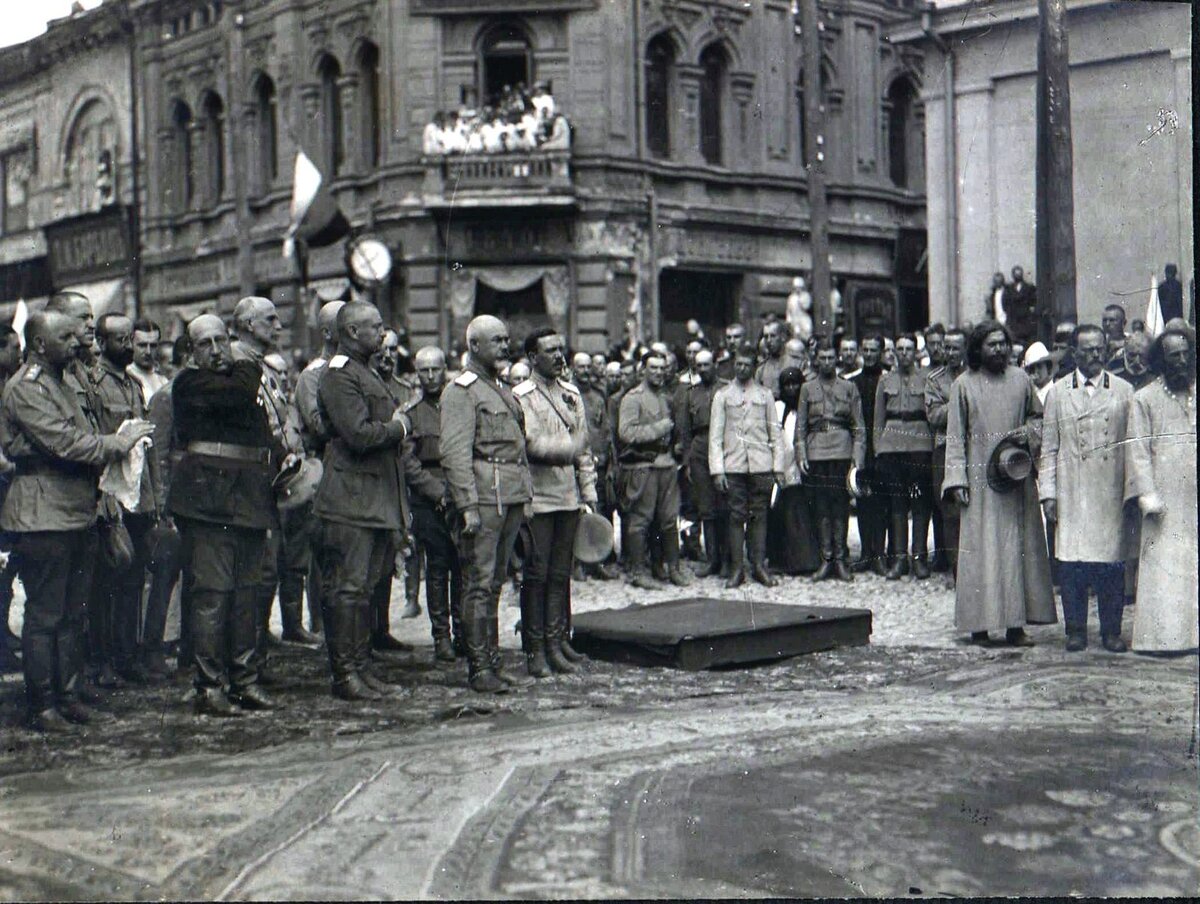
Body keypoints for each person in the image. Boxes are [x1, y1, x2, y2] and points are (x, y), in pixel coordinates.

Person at [1, 312, 154, 731]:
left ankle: (68, 697)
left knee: (72, 614)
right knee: (46, 615)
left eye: (75, 334)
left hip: (74, 510)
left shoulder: (62, 380)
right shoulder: (27, 389)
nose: (76, 342)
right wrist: (117, 442)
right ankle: (43, 705)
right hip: (43, 512)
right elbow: (65, 442)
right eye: (65, 336)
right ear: (38, 345)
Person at [170, 314, 282, 716]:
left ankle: (244, 680)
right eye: (206, 344)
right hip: (209, 503)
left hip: (250, 499)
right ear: (191, 351)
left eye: (221, 341)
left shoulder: (236, 379)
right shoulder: (189, 383)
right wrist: (248, 362)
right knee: (213, 596)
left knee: (246, 594)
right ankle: (208, 685)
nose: (216, 351)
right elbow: (239, 392)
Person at [314, 303, 412, 702]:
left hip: (372, 498)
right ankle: (345, 675)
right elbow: (356, 433)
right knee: (349, 589)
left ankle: (360, 667)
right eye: (376, 327)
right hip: (350, 499)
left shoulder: (364, 371)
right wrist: (400, 427)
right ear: (353, 332)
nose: (383, 333)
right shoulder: (339, 375)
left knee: (365, 588)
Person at [942, 320, 1056, 646]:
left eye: (1002, 343)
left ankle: (1015, 626)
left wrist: (1029, 433)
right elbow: (954, 437)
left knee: (1015, 550)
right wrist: (956, 480)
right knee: (981, 551)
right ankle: (979, 626)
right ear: (978, 348)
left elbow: (1038, 418)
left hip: (1015, 478)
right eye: (991, 344)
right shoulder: (963, 385)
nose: (999, 349)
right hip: (978, 482)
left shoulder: (1021, 380)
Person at [440, 315, 536, 694]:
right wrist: (467, 506)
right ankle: (479, 667)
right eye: (496, 340)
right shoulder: (461, 391)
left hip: (509, 496)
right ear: (474, 346)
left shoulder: (500, 389)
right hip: (483, 498)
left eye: (506, 339)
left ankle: (492, 660)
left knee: (495, 581)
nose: (505, 346)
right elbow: (454, 453)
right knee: (478, 583)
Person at [1039, 324, 1133, 653]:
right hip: (1072, 492)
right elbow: (1048, 448)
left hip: (1109, 491)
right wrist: (1048, 494)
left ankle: (1111, 631)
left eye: (1099, 349)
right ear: (1075, 353)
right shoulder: (1058, 392)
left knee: (1110, 565)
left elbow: (1132, 446)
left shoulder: (1123, 390)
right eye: (1088, 350)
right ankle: (1075, 630)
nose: (1095, 355)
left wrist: (1130, 492)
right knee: (1072, 565)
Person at [513, 329, 597, 677]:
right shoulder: (522, 396)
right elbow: (531, 444)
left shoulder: (571, 394)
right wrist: (569, 448)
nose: (559, 355)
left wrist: (588, 494)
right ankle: (535, 649)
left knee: (561, 574)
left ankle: (558, 640)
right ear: (533, 358)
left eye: (561, 348)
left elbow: (586, 452)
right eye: (550, 351)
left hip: (567, 498)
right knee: (537, 575)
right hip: (538, 499)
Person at [89, 313, 162, 685]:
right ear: (101, 343)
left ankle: (126, 656)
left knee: (133, 579)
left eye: (127, 339)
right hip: (109, 496)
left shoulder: (133, 384)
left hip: (137, 497)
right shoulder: (94, 382)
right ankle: (102, 664)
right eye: (118, 339)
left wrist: (154, 497)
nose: (126, 346)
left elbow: (145, 446)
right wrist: (105, 499)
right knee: (107, 580)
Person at [231, 296, 306, 660]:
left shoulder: (261, 365)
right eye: (270, 320)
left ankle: (257, 642)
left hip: (271, 474)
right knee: (256, 568)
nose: (278, 327)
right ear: (247, 324)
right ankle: (248, 650)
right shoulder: (237, 364)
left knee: (270, 564)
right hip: (251, 478)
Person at [1123, 328, 1197, 654]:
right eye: (1173, 356)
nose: (1181, 361)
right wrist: (1147, 495)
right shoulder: (1144, 399)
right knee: (1164, 566)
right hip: (1163, 498)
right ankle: (1161, 639)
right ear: (1161, 361)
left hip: (1193, 495)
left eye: (1185, 354)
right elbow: (1137, 451)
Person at [286, 300, 345, 640]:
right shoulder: (314, 375)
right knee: (318, 554)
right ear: (327, 332)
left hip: (345, 473)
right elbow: (319, 426)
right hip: (322, 471)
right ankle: (320, 626)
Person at [401, 346, 464, 663]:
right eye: (423, 370)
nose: (429, 376)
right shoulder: (410, 413)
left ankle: (463, 630)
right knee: (438, 568)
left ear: (445, 370)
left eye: (435, 369)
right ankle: (442, 636)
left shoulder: (460, 406)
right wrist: (437, 492)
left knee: (463, 566)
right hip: (429, 500)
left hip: (462, 493)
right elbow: (408, 463)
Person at [709, 342, 786, 588]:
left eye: (747, 365)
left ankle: (759, 566)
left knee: (759, 515)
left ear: (754, 367)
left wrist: (778, 466)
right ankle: (736, 569)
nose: (742, 369)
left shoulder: (765, 395)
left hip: (761, 465)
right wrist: (717, 469)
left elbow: (775, 433)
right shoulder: (722, 396)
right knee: (735, 517)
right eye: (738, 364)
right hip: (733, 466)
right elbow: (715, 436)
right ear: (734, 365)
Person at [618, 350, 692, 590]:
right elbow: (626, 433)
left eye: (662, 368)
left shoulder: (666, 397)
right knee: (640, 520)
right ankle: (637, 571)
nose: (659, 372)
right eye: (654, 368)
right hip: (644, 466)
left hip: (666, 464)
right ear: (643, 370)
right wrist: (660, 428)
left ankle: (673, 568)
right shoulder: (633, 398)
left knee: (670, 519)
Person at [796, 339, 865, 582]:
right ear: (816, 360)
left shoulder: (848, 388)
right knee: (822, 507)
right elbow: (801, 426)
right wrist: (801, 453)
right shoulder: (807, 389)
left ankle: (840, 559)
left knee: (840, 507)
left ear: (836, 359)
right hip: (816, 452)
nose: (826, 362)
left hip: (842, 452)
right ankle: (825, 559)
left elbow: (859, 427)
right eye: (822, 358)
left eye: (830, 358)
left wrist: (857, 459)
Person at [370, 329, 422, 640]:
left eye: (392, 350)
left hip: (403, 481)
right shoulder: (367, 386)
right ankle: (369, 631)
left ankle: (384, 627)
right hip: (377, 481)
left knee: (394, 555)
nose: (387, 356)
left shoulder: (405, 391)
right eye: (382, 350)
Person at [874, 333, 934, 580]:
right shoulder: (885, 381)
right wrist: (878, 448)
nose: (904, 353)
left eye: (909, 349)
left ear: (916, 352)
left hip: (919, 444)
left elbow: (931, 414)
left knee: (920, 503)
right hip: (892, 446)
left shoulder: (927, 379)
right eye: (900, 349)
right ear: (894, 352)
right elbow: (878, 418)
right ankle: (899, 558)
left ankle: (919, 558)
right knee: (897, 503)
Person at [677, 349, 727, 578]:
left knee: (725, 505)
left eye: (707, 365)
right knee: (706, 507)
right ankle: (712, 559)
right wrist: (687, 462)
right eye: (699, 366)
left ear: (715, 365)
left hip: (725, 447)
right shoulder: (691, 393)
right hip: (699, 448)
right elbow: (686, 430)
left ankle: (728, 559)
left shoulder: (725, 389)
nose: (703, 369)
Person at [924, 328, 967, 586]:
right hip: (944, 448)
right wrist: (962, 403)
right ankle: (957, 571)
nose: (950, 353)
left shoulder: (976, 375)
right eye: (946, 347)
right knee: (950, 512)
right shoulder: (935, 379)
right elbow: (934, 417)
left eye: (955, 347)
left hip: (974, 448)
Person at [768, 367, 821, 575]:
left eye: (795, 384)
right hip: (783, 463)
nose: (791, 388)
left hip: (804, 464)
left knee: (804, 512)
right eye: (787, 385)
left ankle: (806, 560)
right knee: (783, 512)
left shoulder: (807, 406)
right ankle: (782, 560)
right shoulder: (778, 408)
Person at [850, 335, 888, 575]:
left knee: (882, 502)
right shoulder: (853, 382)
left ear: (881, 352)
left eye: (874, 350)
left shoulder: (887, 380)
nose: (870, 354)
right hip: (862, 448)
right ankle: (865, 553)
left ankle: (879, 553)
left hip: (884, 449)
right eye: (866, 349)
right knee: (864, 501)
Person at [127, 318, 169, 406]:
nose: (148, 351)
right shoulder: (126, 377)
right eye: (142, 345)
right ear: (131, 344)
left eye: (153, 346)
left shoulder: (164, 378)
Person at [1001, 265, 1038, 346]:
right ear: (1013, 275)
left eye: (1019, 274)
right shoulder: (1008, 288)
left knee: (1026, 342)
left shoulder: (1029, 287)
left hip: (1025, 320)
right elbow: (1004, 303)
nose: (1017, 276)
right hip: (1013, 320)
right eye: (1015, 274)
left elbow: (1033, 302)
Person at [755, 321, 788, 399]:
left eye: (773, 336)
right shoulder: (761, 369)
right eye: (766, 337)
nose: (769, 340)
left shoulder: (796, 363)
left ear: (782, 337)